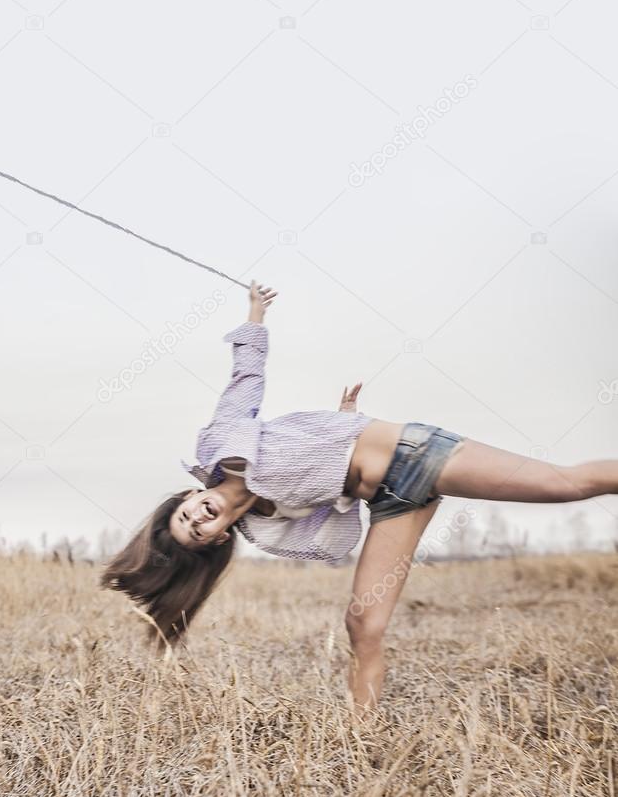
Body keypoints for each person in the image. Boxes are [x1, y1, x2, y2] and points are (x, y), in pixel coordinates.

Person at [101, 280, 618, 709]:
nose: (196, 521)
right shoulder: (265, 526)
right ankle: (361, 742)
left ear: (188, 497)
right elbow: (331, 519)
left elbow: (247, 380)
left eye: (185, 516)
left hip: (417, 455)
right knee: (362, 622)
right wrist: (340, 432)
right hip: (392, 500)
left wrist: (255, 314)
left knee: (564, 485)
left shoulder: (225, 445)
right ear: (215, 540)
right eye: (197, 533)